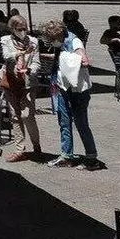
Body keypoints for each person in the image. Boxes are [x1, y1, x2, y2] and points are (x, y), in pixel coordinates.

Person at [43, 20, 102, 170]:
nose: (52, 42)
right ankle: (66, 156)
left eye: (53, 39)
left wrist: (79, 60)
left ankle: (91, 158)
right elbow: (62, 56)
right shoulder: (62, 42)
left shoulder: (74, 41)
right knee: (64, 122)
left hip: (78, 90)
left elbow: (83, 58)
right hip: (63, 88)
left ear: (59, 34)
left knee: (81, 123)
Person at [0, 14, 42, 162]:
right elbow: (6, 56)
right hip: (11, 81)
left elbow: (36, 62)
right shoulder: (5, 40)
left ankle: (36, 145)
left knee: (27, 115)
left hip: (28, 83)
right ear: (12, 29)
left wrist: (30, 70)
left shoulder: (33, 42)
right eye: (19, 29)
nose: (23, 32)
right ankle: (19, 150)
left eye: (25, 28)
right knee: (15, 116)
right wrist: (21, 53)